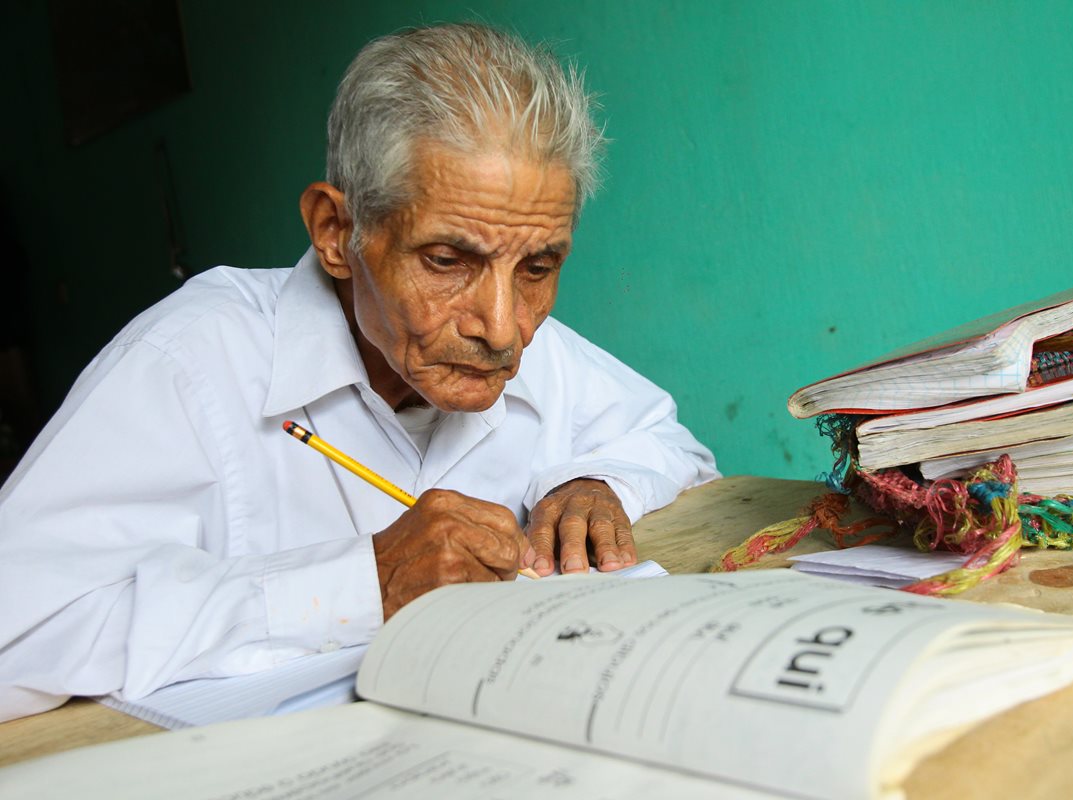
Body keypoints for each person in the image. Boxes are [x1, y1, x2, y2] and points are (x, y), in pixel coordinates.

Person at [0, 23, 718, 722]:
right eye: (446, 261)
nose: (503, 326)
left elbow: (669, 444)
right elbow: (15, 632)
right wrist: (360, 583)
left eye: (539, 267)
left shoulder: (534, 346)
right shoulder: (193, 361)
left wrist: (593, 482)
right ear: (337, 233)